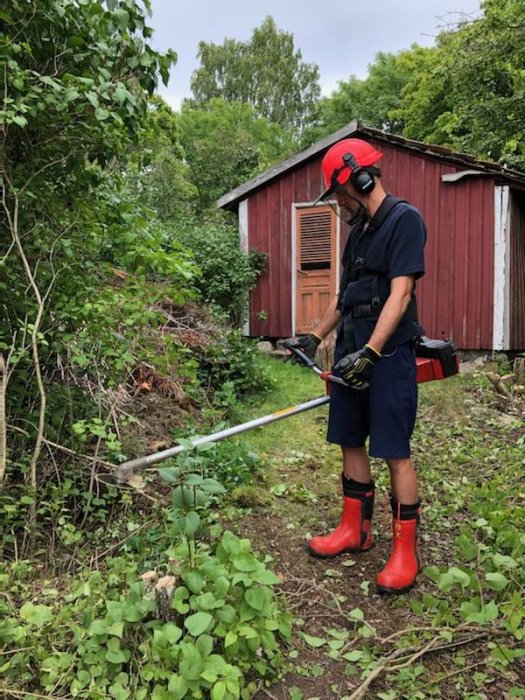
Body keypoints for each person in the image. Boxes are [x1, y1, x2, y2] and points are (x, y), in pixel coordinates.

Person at [291, 138, 427, 594]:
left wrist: (372, 352)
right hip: (352, 350)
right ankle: (356, 530)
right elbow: (343, 298)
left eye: (340, 194)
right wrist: (313, 335)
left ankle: (406, 552)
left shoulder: (404, 221)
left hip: (386, 356)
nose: (340, 205)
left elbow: (401, 293)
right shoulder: (359, 233)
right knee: (349, 438)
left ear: (358, 179)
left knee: (393, 449)